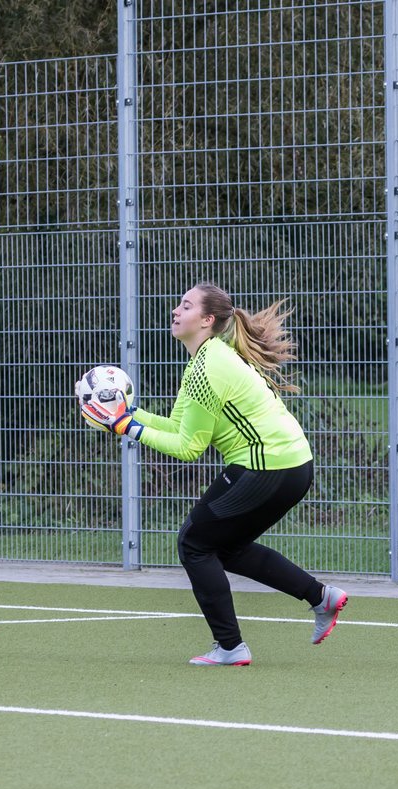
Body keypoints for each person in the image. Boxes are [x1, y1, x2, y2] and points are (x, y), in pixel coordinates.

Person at [80, 281, 347, 666]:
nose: (176, 310)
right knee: (226, 548)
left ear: (207, 320)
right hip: (290, 465)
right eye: (178, 303)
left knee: (194, 543)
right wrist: (128, 415)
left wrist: (125, 427)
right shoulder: (205, 361)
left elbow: (189, 449)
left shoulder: (209, 367)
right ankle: (321, 597)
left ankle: (230, 647)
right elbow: (178, 426)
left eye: (186, 306)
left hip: (267, 466)